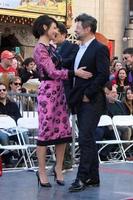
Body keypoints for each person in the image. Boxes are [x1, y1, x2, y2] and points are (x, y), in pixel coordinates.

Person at [32, 14, 92, 187]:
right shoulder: (40, 49)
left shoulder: (51, 47)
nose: (56, 31)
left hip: (59, 91)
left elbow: (61, 64)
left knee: (63, 132)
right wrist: (75, 73)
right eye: (53, 28)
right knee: (45, 133)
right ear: (44, 28)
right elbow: (52, 72)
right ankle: (42, 171)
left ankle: (58, 168)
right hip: (48, 92)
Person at [68, 13, 110, 192]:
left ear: (87, 28)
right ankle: (93, 177)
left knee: (85, 138)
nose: (75, 31)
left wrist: (88, 93)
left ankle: (82, 177)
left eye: (77, 27)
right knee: (88, 138)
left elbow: (103, 74)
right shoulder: (78, 49)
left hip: (92, 100)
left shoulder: (99, 48)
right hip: (80, 99)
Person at [53, 22, 79, 170]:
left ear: (63, 34)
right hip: (54, 92)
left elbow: (72, 63)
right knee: (57, 128)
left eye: (56, 34)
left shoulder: (73, 47)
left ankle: (64, 161)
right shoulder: (53, 49)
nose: (54, 37)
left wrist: (56, 61)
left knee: (62, 128)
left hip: (67, 92)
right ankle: (62, 160)